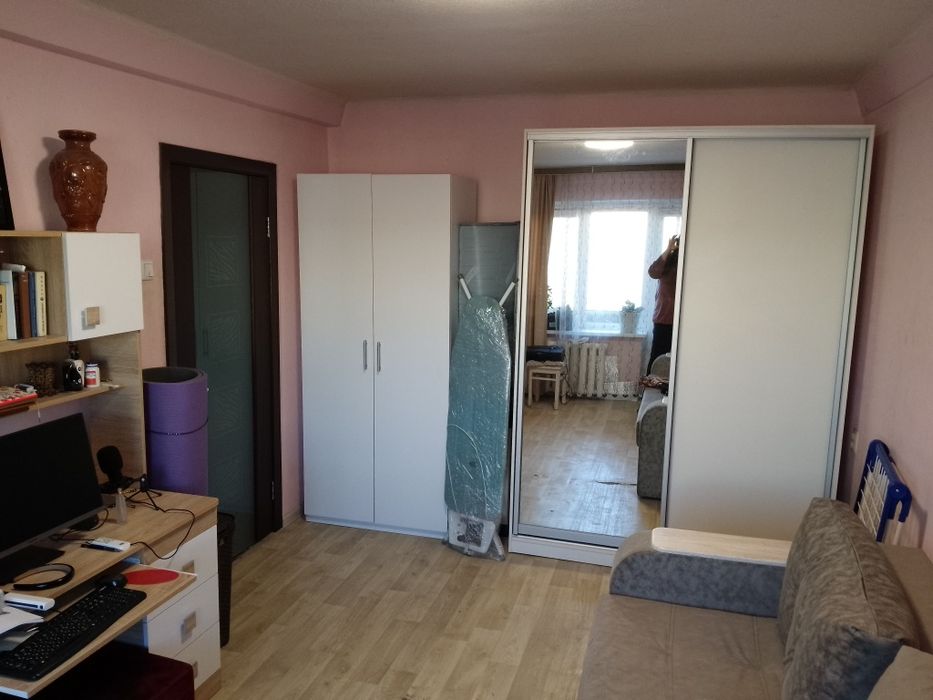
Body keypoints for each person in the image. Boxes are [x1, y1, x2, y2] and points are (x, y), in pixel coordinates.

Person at [647, 235, 679, 372]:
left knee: (678, 363)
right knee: (657, 359)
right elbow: (653, 272)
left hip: (682, 322)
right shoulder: (668, 263)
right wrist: (668, 249)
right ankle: (649, 386)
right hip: (664, 320)